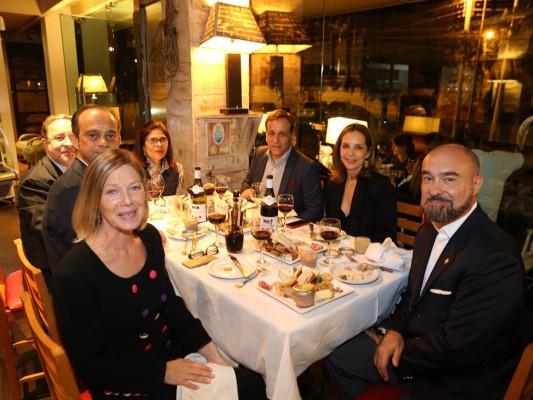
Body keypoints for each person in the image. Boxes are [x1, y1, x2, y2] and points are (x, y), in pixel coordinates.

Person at [52, 149, 266, 400]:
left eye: (134, 188)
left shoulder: (149, 238)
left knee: (247, 376)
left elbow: (168, 304)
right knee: (250, 388)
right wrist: (163, 371)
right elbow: (91, 367)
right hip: (127, 382)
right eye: (112, 191)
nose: (127, 201)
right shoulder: (74, 272)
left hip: (169, 355)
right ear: (94, 199)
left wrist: (212, 353)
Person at [325, 144, 526, 400]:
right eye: (429, 178)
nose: (435, 189)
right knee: (333, 349)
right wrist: (394, 332)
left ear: (477, 185)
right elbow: (412, 296)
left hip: (453, 383)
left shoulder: (495, 257)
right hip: (421, 353)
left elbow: (458, 350)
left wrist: (397, 346)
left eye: (449, 178)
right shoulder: (428, 233)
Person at [42, 104, 121, 273]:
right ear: (76, 141)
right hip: (86, 288)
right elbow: (97, 254)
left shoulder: (104, 176)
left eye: (110, 135)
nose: (104, 143)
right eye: (93, 135)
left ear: (119, 140)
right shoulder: (70, 189)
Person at [17, 114, 76, 286]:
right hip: (53, 271)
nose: (68, 143)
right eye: (59, 138)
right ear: (45, 144)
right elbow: (52, 231)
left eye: (72, 136)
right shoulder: (35, 182)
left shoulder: (77, 170)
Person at [240, 109, 324, 222]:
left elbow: (315, 211)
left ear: (292, 136)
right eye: (272, 133)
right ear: (266, 135)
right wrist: (248, 192)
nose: (276, 140)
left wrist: (283, 223)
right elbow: (247, 182)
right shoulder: (259, 154)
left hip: (287, 233)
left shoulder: (307, 167)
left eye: (282, 134)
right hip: (257, 224)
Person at [324, 123, 397, 243]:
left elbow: (386, 238)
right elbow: (330, 227)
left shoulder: (381, 187)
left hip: (368, 258)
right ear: (339, 149)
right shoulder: (333, 183)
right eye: (345, 146)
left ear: (368, 152)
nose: (350, 153)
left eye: (358, 147)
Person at [133, 120, 183, 196]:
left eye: (162, 139)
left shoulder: (178, 169)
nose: (159, 144)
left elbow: (175, 201)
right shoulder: (134, 171)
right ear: (143, 146)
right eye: (152, 140)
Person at [397, 132, 444, 204]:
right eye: (426, 149)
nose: (427, 152)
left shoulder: (441, 166)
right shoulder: (421, 159)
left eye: (430, 149)